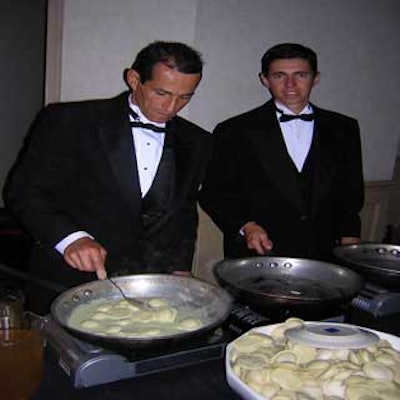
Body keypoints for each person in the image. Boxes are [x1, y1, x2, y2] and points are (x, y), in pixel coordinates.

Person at [3, 41, 211, 313]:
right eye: (162, 93)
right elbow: (25, 191)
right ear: (134, 79)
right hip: (70, 281)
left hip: (150, 287)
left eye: (185, 97)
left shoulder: (197, 140)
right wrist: (71, 238)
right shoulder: (70, 120)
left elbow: (183, 211)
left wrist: (181, 268)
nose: (172, 107)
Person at [200, 43, 364, 262]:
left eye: (301, 75)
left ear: (315, 78)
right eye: (279, 76)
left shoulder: (344, 128)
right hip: (259, 252)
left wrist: (350, 240)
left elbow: (350, 191)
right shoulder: (234, 130)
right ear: (265, 80)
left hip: (325, 252)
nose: (290, 84)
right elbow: (214, 193)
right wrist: (246, 226)